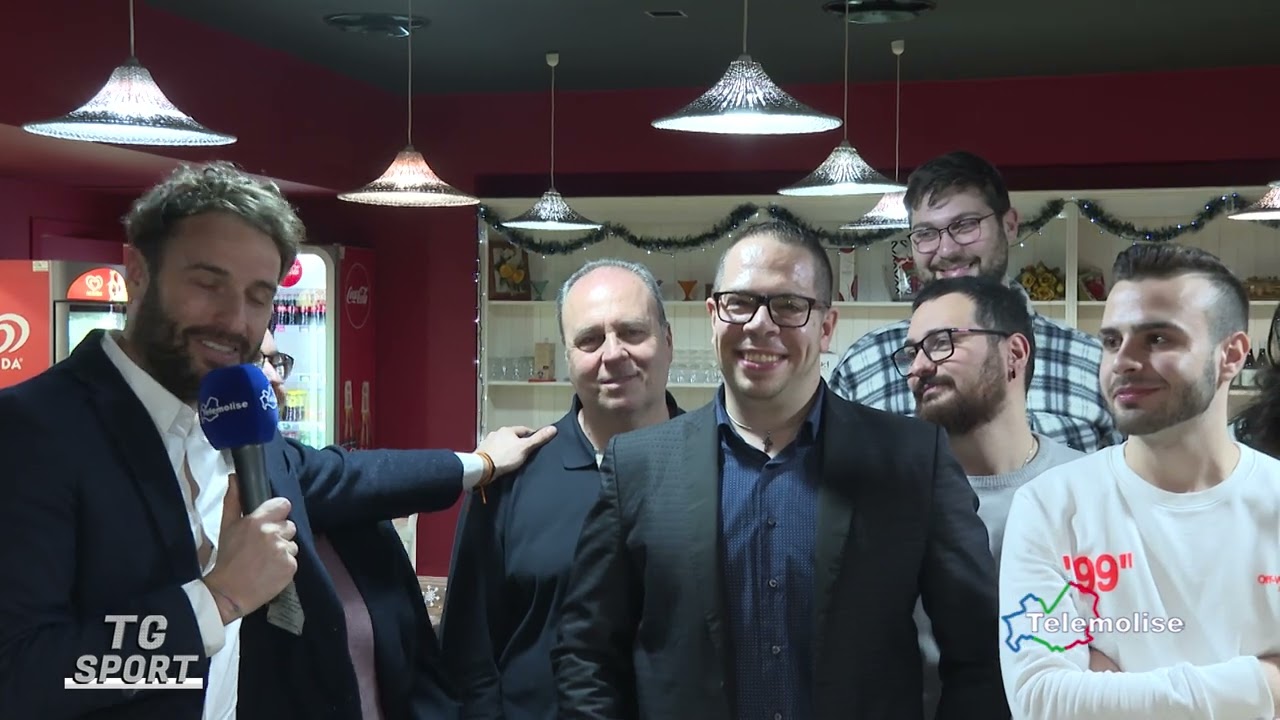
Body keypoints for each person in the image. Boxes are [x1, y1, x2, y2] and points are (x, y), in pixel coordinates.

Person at [0, 162, 553, 720]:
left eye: (258, 296)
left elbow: (348, 475)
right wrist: (218, 599)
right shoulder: (31, 433)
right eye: (208, 284)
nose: (234, 320)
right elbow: (21, 677)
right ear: (138, 271)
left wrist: (481, 462)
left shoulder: (237, 426)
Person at [553, 221, 1008, 720]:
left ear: (826, 327)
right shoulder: (637, 466)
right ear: (713, 316)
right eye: (740, 303)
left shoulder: (913, 460)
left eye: (789, 305)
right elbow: (587, 653)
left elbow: (980, 651)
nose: (759, 325)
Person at [998, 243, 1280, 720]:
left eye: (1158, 339)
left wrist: (1109, 687)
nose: (1123, 361)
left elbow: (1072, 702)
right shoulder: (1050, 506)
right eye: (1112, 341)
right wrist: (1264, 685)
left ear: (1230, 355)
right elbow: (1042, 701)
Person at [441, 259, 680, 720]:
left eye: (632, 332)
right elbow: (468, 655)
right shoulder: (511, 475)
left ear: (667, 341)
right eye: (589, 340)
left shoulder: (718, 467)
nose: (613, 353)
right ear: (567, 358)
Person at [828, 150, 1119, 453]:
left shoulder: (1095, 364)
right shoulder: (863, 365)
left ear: (1009, 225)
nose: (946, 250)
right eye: (926, 233)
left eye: (965, 225)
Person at [899, 276, 1083, 719]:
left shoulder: (1086, 488)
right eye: (912, 352)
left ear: (1014, 354)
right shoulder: (893, 495)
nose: (918, 366)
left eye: (941, 343)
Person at [257, 325, 459, 719]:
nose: (273, 377)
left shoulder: (357, 522)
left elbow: (420, 667)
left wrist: (483, 464)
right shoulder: (210, 524)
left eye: (275, 361)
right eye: (252, 359)